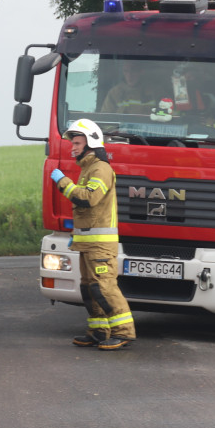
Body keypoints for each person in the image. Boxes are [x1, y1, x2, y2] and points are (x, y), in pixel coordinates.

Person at [50, 118, 136, 350]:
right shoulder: (89, 169)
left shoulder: (100, 168)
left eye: (77, 143)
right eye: (73, 143)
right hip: (88, 243)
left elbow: (89, 199)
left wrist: (63, 182)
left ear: (91, 143)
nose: (73, 147)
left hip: (100, 246)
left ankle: (124, 332)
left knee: (104, 287)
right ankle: (99, 331)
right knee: (89, 289)